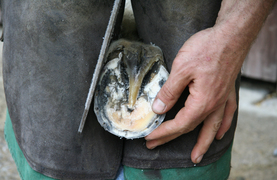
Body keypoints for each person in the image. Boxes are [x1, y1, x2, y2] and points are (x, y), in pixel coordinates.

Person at [2, 0, 276, 179]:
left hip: (193, 28)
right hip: (46, 30)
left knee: (182, 164)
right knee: (55, 152)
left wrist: (232, 35)